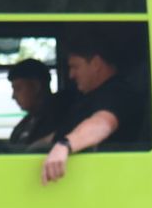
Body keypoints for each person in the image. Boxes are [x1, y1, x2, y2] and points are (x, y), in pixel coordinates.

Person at [39, 28, 145, 185]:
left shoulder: (119, 93)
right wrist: (28, 148)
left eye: (75, 67)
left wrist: (65, 145)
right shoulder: (89, 96)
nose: (71, 75)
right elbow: (57, 134)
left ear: (95, 64)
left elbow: (102, 124)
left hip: (110, 181)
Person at [6, 59, 64, 146]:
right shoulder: (27, 122)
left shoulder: (59, 120)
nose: (13, 96)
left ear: (36, 86)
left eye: (18, 88)